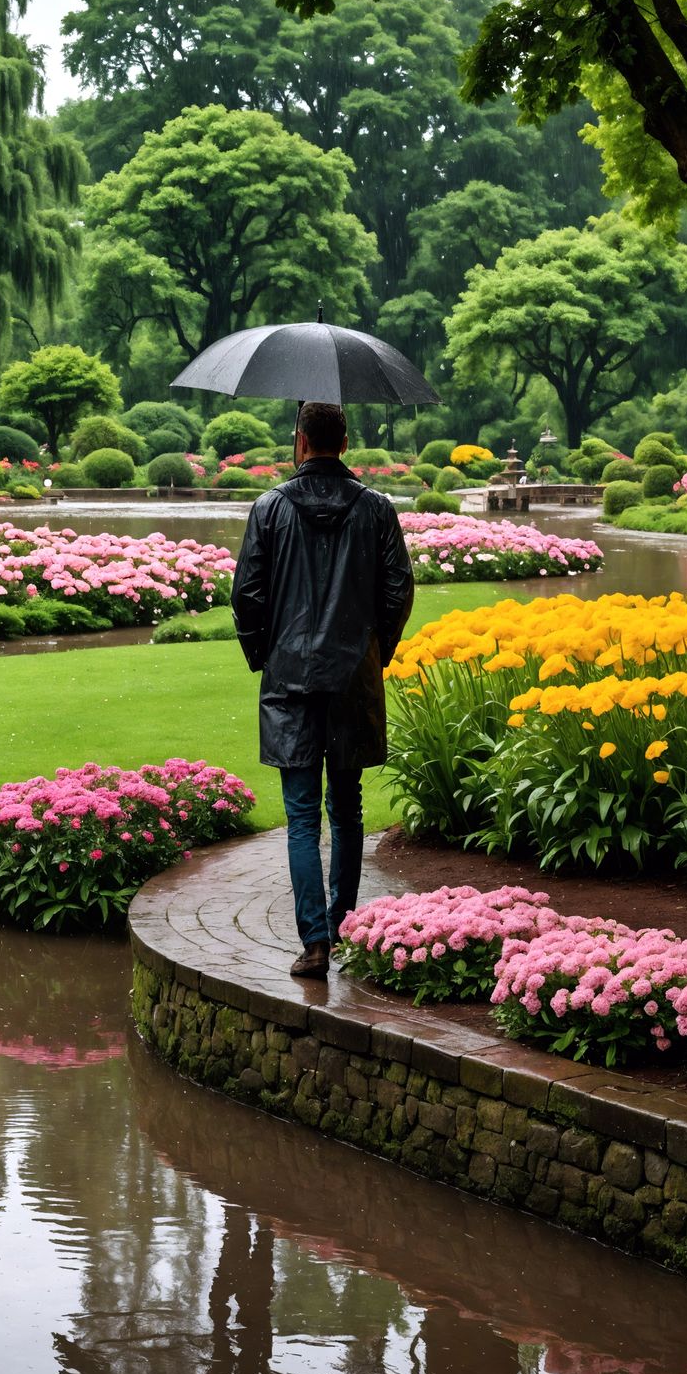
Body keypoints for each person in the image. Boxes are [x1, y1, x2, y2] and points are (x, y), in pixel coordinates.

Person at [230, 402, 414, 978]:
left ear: (300, 442)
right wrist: (372, 654)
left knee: (303, 815)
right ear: (346, 441)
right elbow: (397, 592)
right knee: (348, 808)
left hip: (290, 678)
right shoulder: (377, 510)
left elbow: (247, 595)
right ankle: (344, 926)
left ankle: (315, 943)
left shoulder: (269, 508)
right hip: (351, 677)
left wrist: (266, 654)